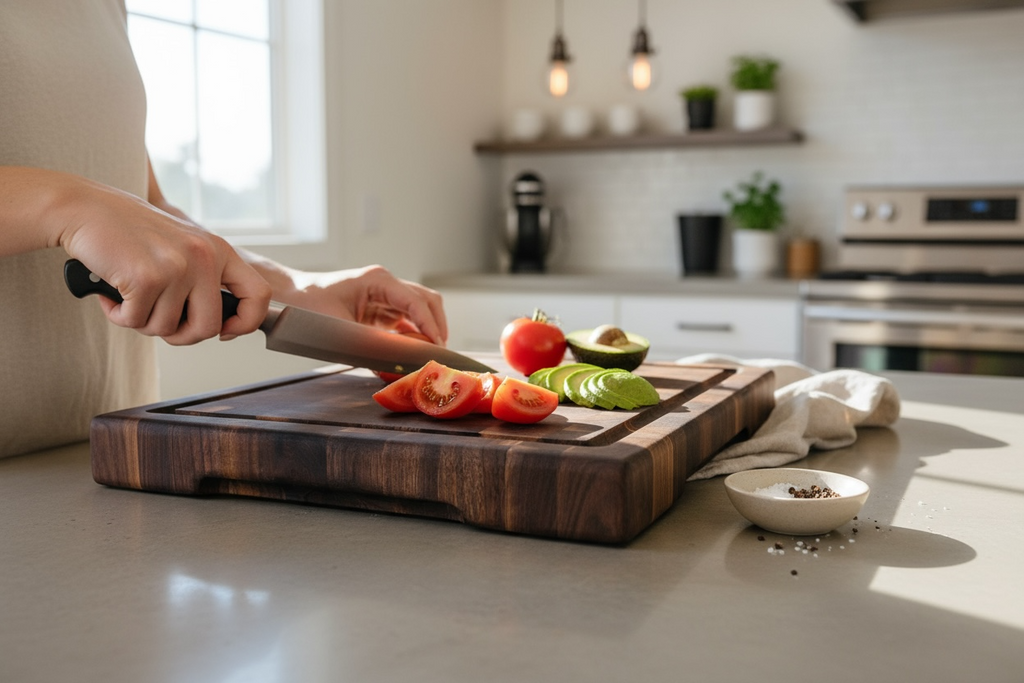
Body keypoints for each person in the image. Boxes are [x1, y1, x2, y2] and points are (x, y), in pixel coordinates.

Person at [0, 0, 447, 459]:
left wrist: (292, 287)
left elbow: (146, 205)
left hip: (112, 449)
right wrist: (67, 204)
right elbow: (98, 208)